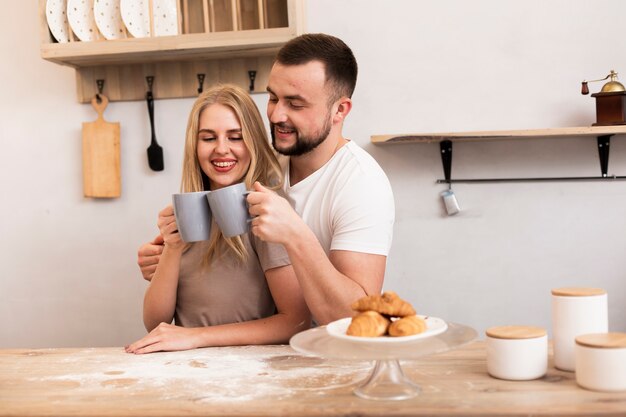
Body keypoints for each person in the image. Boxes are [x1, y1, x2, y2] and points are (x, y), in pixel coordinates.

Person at [137, 33, 395, 325]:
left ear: (340, 110)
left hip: (336, 356)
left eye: (295, 104)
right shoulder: (269, 163)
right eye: (273, 98)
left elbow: (354, 319)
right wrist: (163, 258)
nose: (276, 115)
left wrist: (295, 234)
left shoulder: (362, 184)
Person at [126, 84, 310, 354]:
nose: (221, 149)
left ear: (253, 142)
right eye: (208, 138)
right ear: (195, 144)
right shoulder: (188, 214)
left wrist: (195, 337)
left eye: (235, 137)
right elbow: (156, 323)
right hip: (187, 369)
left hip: (247, 369)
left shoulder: (267, 213)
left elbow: (296, 322)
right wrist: (172, 249)